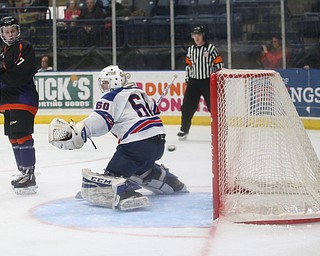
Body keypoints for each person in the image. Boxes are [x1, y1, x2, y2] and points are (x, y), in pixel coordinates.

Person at [49, 65, 188, 211]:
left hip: (136, 144)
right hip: (158, 143)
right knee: (139, 167)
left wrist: (82, 131)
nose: (103, 86)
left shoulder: (112, 96)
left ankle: (123, 192)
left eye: (105, 82)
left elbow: (102, 119)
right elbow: (154, 109)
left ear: (114, 82)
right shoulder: (140, 92)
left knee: (113, 174)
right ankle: (166, 179)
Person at [0, 16, 39, 194]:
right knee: (13, 136)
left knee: (22, 134)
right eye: (6, 31)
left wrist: (3, 77)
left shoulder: (25, 47)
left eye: (13, 30)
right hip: (7, 102)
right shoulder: (3, 51)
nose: (10, 34)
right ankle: (23, 172)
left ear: (18, 31)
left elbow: (21, 74)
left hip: (23, 99)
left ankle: (30, 175)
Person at [177, 25, 224, 140]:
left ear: (203, 35)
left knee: (213, 107)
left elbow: (219, 65)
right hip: (194, 82)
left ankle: (220, 130)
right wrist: (188, 80)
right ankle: (184, 129)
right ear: (192, 36)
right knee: (187, 106)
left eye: (199, 35)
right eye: (195, 35)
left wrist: (215, 79)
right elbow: (188, 66)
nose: (197, 37)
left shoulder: (211, 49)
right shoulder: (191, 50)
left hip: (207, 81)